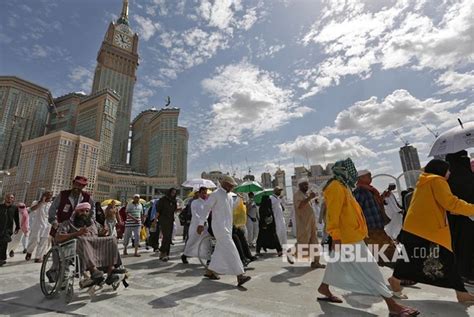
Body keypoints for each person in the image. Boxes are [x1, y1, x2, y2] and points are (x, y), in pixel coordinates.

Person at [317, 158, 419, 316]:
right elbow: (332, 214)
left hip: (352, 234)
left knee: (336, 264)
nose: (353, 173)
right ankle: (392, 305)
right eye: (351, 170)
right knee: (371, 268)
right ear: (343, 171)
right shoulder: (335, 187)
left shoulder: (343, 186)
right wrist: (336, 237)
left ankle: (324, 287)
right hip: (347, 237)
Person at [388, 159, 474, 303]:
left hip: (415, 228)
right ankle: (462, 294)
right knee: (446, 260)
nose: (450, 173)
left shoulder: (424, 181)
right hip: (429, 230)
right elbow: (450, 203)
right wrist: (472, 208)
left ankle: (395, 280)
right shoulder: (437, 181)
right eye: (448, 170)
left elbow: (436, 204)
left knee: (413, 257)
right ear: (440, 170)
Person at [198, 175, 251, 286]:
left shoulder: (230, 197)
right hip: (219, 228)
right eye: (231, 185)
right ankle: (240, 275)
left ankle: (210, 271)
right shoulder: (215, 194)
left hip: (228, 228)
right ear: (225, 184)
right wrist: (200, 223)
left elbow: (230, 211)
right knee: (232, 249)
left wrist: (241, 200)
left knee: (220, 251)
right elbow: (206, 208)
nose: (232, 188)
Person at [56, 202, 122, 285]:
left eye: (87, 211)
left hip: (96, 247)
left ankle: (110, 271)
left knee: (112, 239)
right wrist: (76, 234)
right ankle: (93, 270)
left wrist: (103, 232)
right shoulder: (68, 223)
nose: (84, 213)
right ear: (76, 212)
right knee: (82, 239)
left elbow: (101, 233)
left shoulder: (93, 223)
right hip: (79, 250)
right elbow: (58, 237)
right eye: (82, 211)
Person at [353, 170, 395, 267]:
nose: (371, 178)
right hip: (370, 229)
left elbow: (374, 204)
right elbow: (356, 210)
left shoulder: (370, 190)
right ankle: (399, 276)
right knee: (390, 252)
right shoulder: (359, 191)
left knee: (381, 254)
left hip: (377, 227)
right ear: (361, 178)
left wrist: (383, 197)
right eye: (368, 176)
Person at [445, 151, 474, 284]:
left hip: (454, 220)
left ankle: (462, 272)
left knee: (459, 245)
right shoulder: (469, 176)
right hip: (469, 217)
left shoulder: (446, 180)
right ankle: (468, 273)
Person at [291, 178, 325, 269]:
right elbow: (300, 206)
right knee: (303, 243)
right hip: (303, 224)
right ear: (300, 186)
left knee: (315, 243)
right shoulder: (297, 195)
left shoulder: (305, 194)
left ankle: (316, 262)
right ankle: (291, 252)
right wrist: (310, 198)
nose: (307, 186)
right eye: (304, 185)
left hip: (311, 224)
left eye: (307, 185)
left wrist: (310, 197)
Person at [181, 187, 209, 264]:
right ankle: (185, 255)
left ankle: (208, 258)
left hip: (205, 225)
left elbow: (208, 213)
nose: (204, 194)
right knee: (192, 241)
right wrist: (201, 222)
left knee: (206, 242)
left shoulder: (207, 203)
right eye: (203, 193)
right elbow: (195, 214)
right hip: (196, 225)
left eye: (205, 193)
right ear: (199, 193)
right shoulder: (194, 202)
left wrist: (204, 220)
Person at [26, 191, 53, 262]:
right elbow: (31, 209)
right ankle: (29, 252)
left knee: (43, 242)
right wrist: (41, 202)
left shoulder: (51, 205)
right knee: (34, 240)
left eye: (50, 196)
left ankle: (38, 257)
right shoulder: (36, 202)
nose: (49, 197)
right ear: (43, 195)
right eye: (47, 195)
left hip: (47, 226)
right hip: (37, 225)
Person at [155, 188, 177, 261]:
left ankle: (166, 254)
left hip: (171, 220)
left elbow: (174, 210)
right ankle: (163, 252)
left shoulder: (174, 200)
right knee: (166, 236)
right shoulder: (163, 200)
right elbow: (158, 211)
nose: (173, 194)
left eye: (174, 193)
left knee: (169, 238)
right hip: (163, 220)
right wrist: (155, 220)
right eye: (172, 192)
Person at [0, 193, 20, 266]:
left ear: (13, 199)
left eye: (11, 198)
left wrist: (18, 227)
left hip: (8, 229)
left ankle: (1, 259)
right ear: (5, 198)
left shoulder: (14, 208)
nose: (9, 199)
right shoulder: (1, 206)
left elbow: (16, 218)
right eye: (8, 197)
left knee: (4, 243)